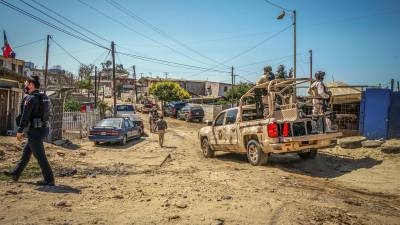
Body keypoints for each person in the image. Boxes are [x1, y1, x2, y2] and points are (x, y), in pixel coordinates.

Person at [3, 76, 55, 186]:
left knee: (40, 156)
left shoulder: (31, 98)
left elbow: (25, 116)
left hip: (35, 131)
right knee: (26, 153)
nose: (25, 86)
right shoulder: (43, 97)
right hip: (43, 129)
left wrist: (20, 129)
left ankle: (49, 179)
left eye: (26, 83)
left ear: (31, 85)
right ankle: (15, 173)